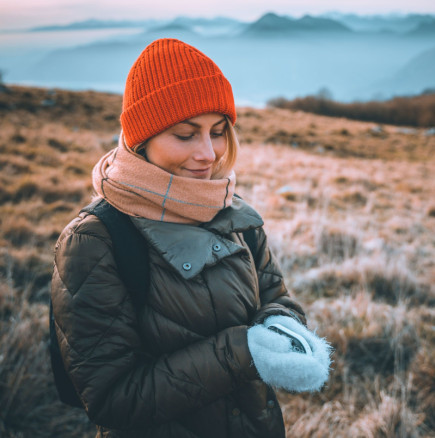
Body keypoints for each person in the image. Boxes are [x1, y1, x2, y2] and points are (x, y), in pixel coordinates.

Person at [51, 38, 331, 438]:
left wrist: (280, 328)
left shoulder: (233, 211)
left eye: (218, 132)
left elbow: (276, 296)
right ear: (141, 140)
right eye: (185, 134)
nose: (208, 153)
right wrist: (242, 353)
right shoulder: (94, 241)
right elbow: (111, 398)